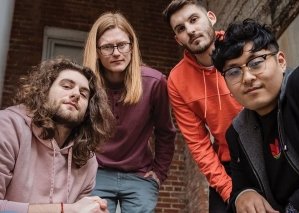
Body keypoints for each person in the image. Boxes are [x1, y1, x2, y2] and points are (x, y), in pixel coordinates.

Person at [212, 19, 299, 213]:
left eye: (256, 63)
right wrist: (242, 195)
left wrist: (296, 208)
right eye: (234, 72)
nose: (247, 78)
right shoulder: (237, 133)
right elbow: (240, 184)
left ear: (281, 61)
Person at [83, 12, 176, 213]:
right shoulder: (85, 84)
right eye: (107, 47)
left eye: (122, 45)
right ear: (97, 51)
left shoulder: (154, 82)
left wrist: (159, 173)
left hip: (139, 176)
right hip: (96, 172)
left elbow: (165, 132)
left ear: (132, 46)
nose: (116, 53)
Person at [0, 57, 115, 213]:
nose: (76, 94)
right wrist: (65, 210)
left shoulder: (87, 159)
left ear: (88, 111)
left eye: (84, 94)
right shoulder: (8, 126)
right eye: (67, 86)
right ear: (44, 91)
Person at [162, 1, 242, 212]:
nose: (189, 30)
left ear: (211, 17)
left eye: (193, 19)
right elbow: (198, 144)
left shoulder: (242, 46)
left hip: (269, 149)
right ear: (177, 39)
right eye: (180, 29)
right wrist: (228, 191)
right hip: (230, 163)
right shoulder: (177, 80)